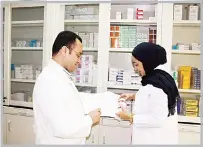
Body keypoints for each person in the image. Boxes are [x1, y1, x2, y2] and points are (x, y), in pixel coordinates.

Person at [32, 31, 101, 144]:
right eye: (78, 55)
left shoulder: (60, 76)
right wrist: (90, 120)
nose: (79, 61)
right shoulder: (48, 80)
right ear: (64, 51)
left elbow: (70, 102)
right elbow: (61, 127)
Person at [116, 42, 180, 145]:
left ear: (147, 61)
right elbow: (153, 100)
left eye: (136, 64)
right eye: (133, 65)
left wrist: (130, 117)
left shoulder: (156, 85)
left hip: (153, 139)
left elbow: (157, 119)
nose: (135, 69)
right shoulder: (158, 77)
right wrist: (133, 96)